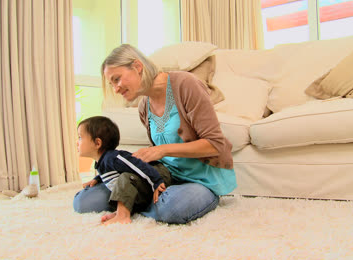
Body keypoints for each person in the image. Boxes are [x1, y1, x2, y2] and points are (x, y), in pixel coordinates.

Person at [73, 44, 237, 224]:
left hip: (200, 179)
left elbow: (215, 144)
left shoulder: (186, 85)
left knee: (172, 208)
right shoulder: (144, 105)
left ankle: (137, 205)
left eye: (117, 79)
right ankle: (134, 205)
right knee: (84, 202)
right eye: (112, 84)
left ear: (137, 67)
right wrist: (104, 176)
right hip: (164, 175)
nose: (116, 89)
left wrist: (162, 150)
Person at [75, 116, 171, 225]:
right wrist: (97, 179)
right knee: (123, 179)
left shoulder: (114, 158)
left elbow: (138, 165)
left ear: (97, 143)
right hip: (142, 183)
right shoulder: (101, 163)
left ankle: (123, 215)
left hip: (156, 173)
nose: (77, 142)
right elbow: (113, 173)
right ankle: (122, 211)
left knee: (125, 178)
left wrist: (156, 181)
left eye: (80, 138)